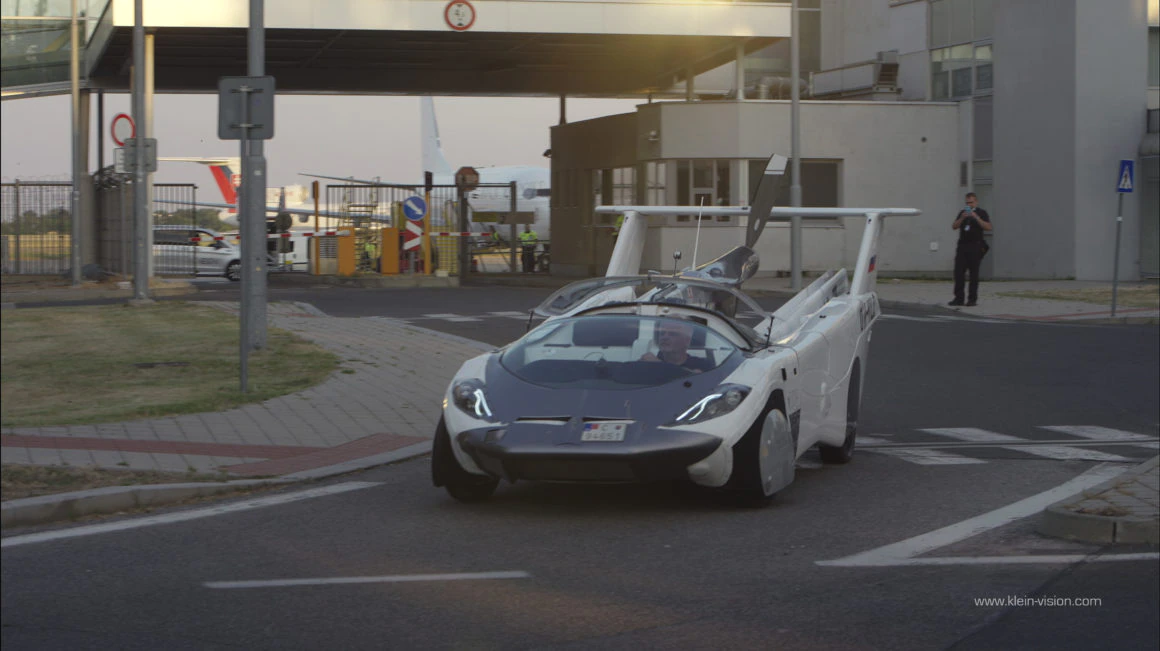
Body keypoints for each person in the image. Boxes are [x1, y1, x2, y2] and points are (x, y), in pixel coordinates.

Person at [949, 192, 992, 306]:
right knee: (959, 273)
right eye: (967, 203)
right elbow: (954, 226)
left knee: (974, 274)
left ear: (976, 202)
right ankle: (959, 298)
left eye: (971, 202)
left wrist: (976, 217)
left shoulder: (981, 213)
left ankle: (972, 299)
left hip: (975, 246)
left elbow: (988, 227)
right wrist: (962, 218)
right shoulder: (962, 213)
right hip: (963, 246)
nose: (969, 204)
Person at [640, 319, 714, 373]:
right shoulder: (647, 362)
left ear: (687, 341)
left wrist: (660, 366)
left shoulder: (703, 365)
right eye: (662, 333)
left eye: (672, 334)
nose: (665, 337)